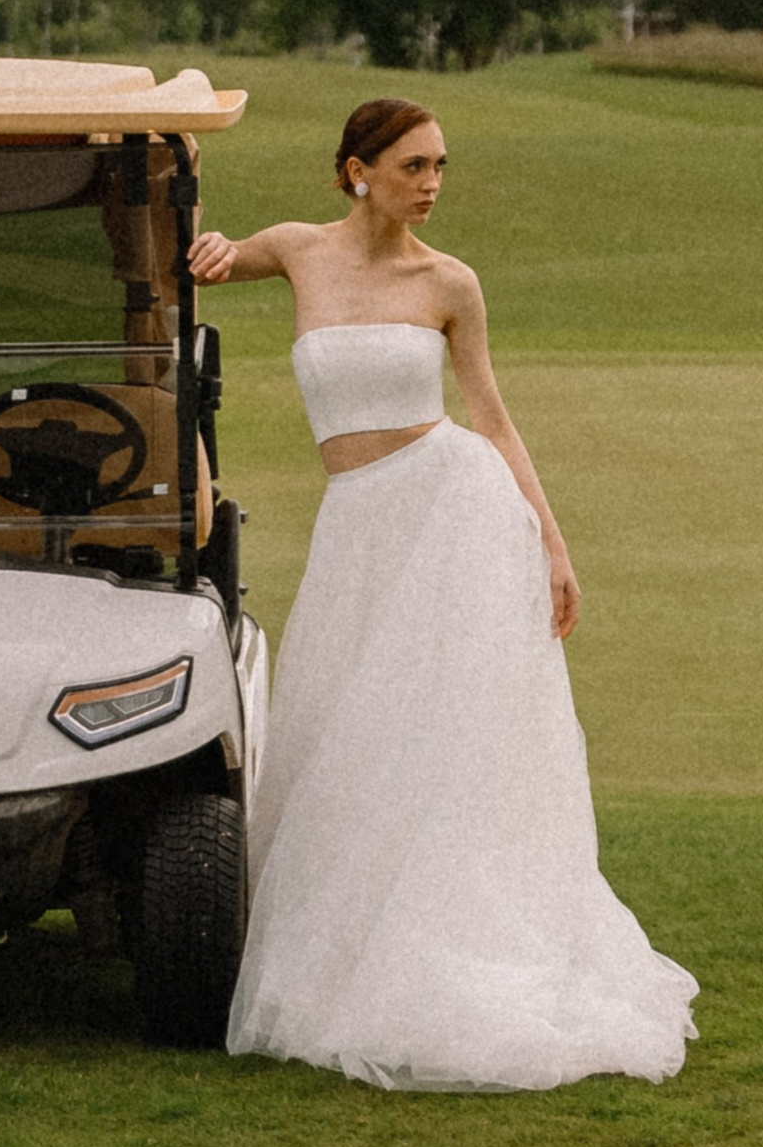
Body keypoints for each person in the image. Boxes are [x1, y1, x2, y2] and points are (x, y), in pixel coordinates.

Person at [188, 95, 696, 1093]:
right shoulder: (298, 251)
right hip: (357, 524)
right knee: (342, 728)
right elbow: (212, 255)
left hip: (451, 509)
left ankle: (448, 943)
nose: (430, 184)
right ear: (357, 171)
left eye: (439, 167)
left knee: (433, 734)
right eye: (412, 165)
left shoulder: (450, 282)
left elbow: (491, 419)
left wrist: (552, 544)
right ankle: (346, 943)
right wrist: (208, 246)